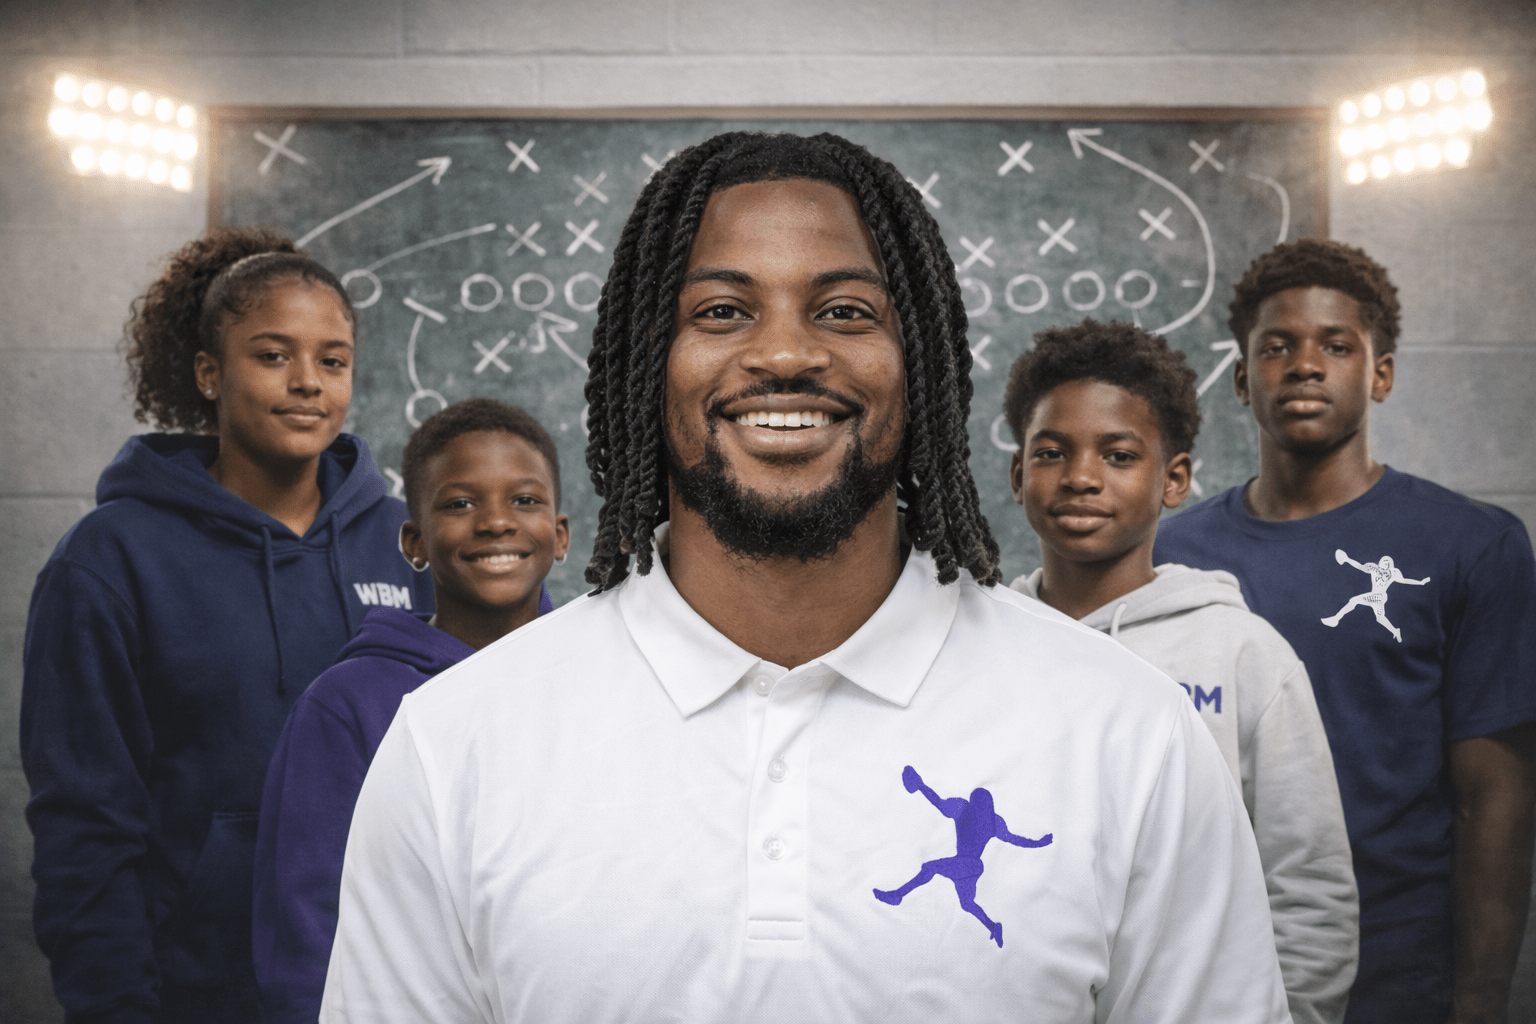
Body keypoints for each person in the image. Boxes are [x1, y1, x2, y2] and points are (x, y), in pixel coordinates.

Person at [320, 131, 1289, 1023]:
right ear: (646, 364)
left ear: (924, 364)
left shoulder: (1130, 733)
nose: (785, 352)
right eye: (722, 310)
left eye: (844, 310)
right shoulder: (458, 745)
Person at [20, 227, 431, 1024]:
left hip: (398, 981)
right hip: (200, 990)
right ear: (209, 374)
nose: (309, 383)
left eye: (333, 360)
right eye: (273, 356)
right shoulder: (108, 561)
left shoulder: (409, 542)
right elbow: (87, 826)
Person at [1154, 239, 1536, 1024]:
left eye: (1336, 345)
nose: (1304, 364)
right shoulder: (1171, 554)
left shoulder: (1474, 545)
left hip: (1404, 964)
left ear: (1381, 374)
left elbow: (1493, 797)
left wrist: (1482, 997)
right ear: (1239, 380)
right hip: (1208, 954)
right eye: (1277, 347)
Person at [1002, 318, 1359, 1024]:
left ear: (1175, 479)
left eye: (1118, 454)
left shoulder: (1243, 654)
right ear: (1018, 477)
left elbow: (1307, 883)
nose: (1080, 477)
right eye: (1052, 451)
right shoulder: (980, 648)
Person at [253, 398, 568, 1024]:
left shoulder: (604, 683)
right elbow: (307, 927)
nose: (496, 522)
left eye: (525, 500)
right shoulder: (348, 706)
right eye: (460, 503)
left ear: (560, 536)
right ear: (414, 541)